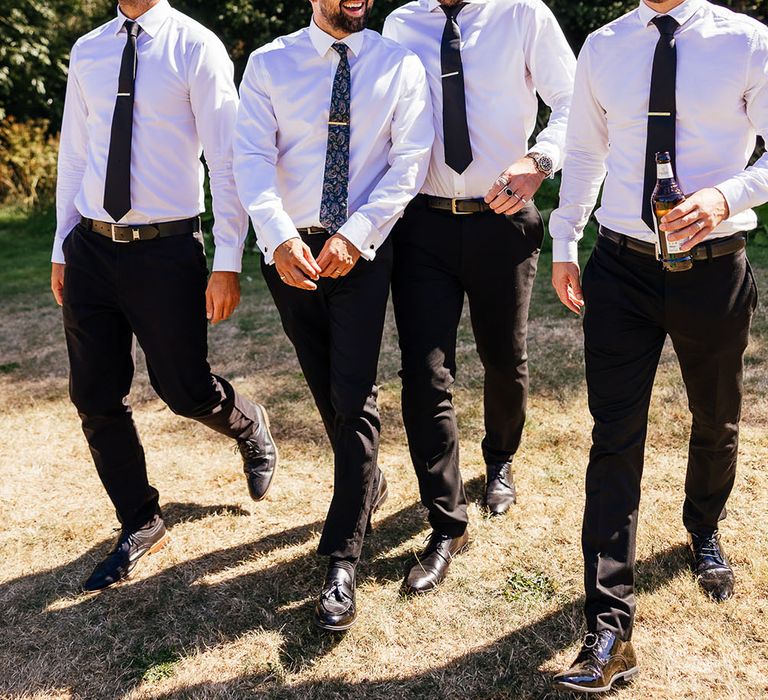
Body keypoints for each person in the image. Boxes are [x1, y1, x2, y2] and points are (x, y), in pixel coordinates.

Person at [549, 0, 767, 692]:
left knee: (716, 415)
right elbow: (583, 150)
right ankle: (608, 628)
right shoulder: (605, 44)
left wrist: (727, 196)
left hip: (713, 268)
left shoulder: (748, 41)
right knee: (613, 438)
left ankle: (702, 525)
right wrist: (564, 240)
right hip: (621, 269)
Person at [51, 0, 278, 593]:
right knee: (94, 395)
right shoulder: (88, 50)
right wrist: (60, 244)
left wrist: (228, 260)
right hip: (91, 248)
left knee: (184, 390)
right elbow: (74, 152)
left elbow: (225, 162)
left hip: (167, 248)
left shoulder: (195, 46)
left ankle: (249, 424)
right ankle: (140, 520)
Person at [233, 0, 433, 631]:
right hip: (287, 252)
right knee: (325, 386)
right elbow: (251, 159)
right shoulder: (269, 64)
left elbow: (409, 162)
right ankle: (365, 483)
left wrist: (356, 234)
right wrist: (275, 235)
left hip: (360, 251)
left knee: (353, 394)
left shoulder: (398, 63)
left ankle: (342, 559)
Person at [382, 0, 575, 594]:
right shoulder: (399, 24)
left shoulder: (524, 14)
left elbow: (575, 103)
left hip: (504, 221)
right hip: (422, 226)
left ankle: (501, 459)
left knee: (504, 360)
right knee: (424, 373)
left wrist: (540, 161)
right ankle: (445, 521)